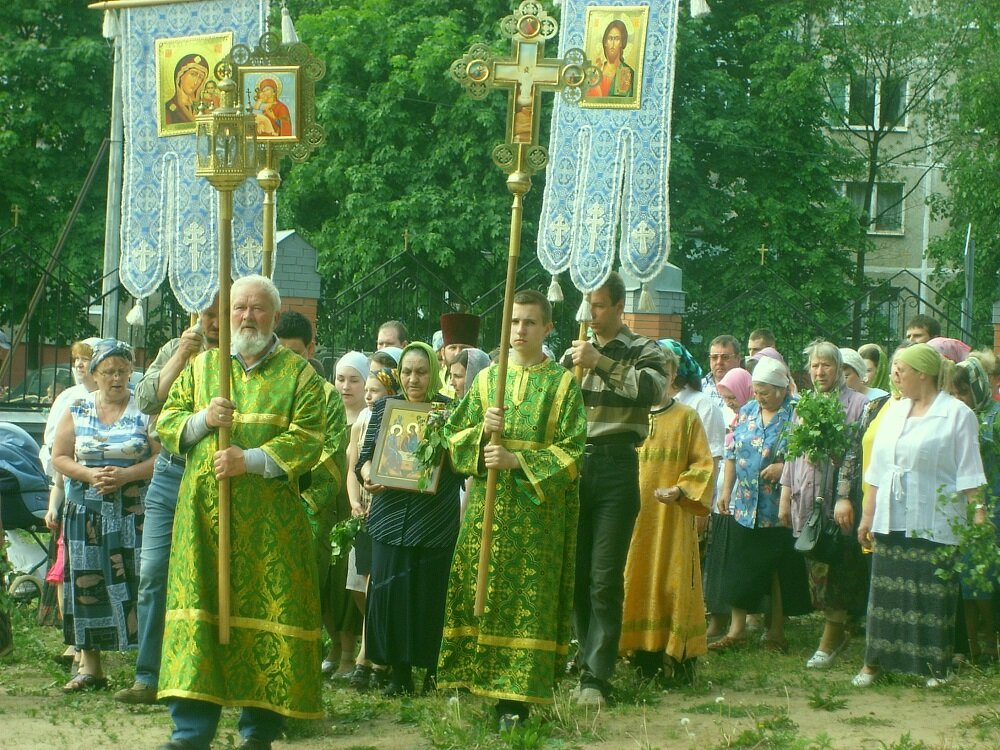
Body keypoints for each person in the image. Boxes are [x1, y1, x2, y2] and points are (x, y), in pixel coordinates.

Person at [155, 275, 327, 750]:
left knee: (267, 615)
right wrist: (204, 420)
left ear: (274, 316)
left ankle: (259, 732)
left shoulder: (300, 376)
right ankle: (190, 732)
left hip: (270, 528)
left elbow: (309, 439)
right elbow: (166, 423)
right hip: (204, 521)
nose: (246, 316)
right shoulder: (202, 368)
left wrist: (247, 460)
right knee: (201, 616)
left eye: (257, 308)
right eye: (239, 308)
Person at [438, 290, 586, 728]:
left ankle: (515, 701)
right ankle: (476, 679)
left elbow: (573, 453)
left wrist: (516, 460)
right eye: (514, 321)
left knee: (527, 600)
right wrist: (482, 433)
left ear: (547, 328)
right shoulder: (487, 381)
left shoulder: (562, 384)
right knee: (479, 591)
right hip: (487, 509)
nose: (520, 330)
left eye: (529, 322)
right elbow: (453, 437)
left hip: (536, 518)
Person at [561, 271, 667, 706]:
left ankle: (597, 676)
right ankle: (585, 654)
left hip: (617, 466)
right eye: (588, 304)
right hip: (573, 466)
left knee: (604, 577)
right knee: (576, 575)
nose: (592, 314)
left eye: (600, 305)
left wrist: (600, 362)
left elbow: (653, 392)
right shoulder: (571, 354)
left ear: (621, 306)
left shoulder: (644, 348)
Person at [854, 344, 986, 688]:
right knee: (885, 596)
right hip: (892, 518)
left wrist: (978, 514)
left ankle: (936, 667)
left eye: (902, 369)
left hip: (935, 520)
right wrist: (867, 517)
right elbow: (877, 470)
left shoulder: (957, 414)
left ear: (923, 374)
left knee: (932, 597)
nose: (895, 375)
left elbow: (970, 471)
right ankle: (874, 663)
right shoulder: (894, 411)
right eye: (894, 369)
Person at [114, 304, 218, 705]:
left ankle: (207, 675)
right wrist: (181, 355)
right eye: (206, 313)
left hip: (216, 475)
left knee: (211, 575)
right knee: (154, 572)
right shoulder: (176, 347)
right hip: (171, 472)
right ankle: (148, 675)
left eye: (221, 314)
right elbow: (145, 401)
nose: (212, 322)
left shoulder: (240, 357)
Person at [356, 342, 463, 696]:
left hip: (433, 521)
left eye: (421, 372)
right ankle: (398, 674)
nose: (413, 379)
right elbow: (364, 459)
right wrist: (369, 475)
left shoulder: (450, 411)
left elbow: (463, 466)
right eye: (406, 371)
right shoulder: (384, 408)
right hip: (389, 518)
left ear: (434, 373)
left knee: (428, 595)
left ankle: (432, 671)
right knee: (391, 595)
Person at [51, 339, 158, 692]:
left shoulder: (145, 409)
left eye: (123, 371)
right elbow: (60, 456)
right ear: (94, 374)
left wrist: (127, 475)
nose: (117, 378)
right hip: (87, 510)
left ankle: (148, 670)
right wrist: (89, 474)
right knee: (88, 582)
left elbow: (161, 457)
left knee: (141, 580)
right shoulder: (77, 408)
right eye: (109, 371)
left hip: (133, 510)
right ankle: (91, 668)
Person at [620, 345, 714, 686]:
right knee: (636, 577)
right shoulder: (628, 415)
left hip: (671, 519)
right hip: (633, 517)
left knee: (673, 581)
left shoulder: (686, 417)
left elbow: (703, 463)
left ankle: (679, 656)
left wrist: (681, 489)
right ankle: (641, 654)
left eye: (666, 371)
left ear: (674, 375)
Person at [274, 313, 354, 680]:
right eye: (282, 353)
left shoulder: (326, 396)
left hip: (308, 504)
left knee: (309, 584)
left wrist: (302, 494)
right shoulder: (270, 389)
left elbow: (331, 452)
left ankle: (303, 659)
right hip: (268, 501)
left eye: (295, 354)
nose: (288, 362)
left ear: (310, 350)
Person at [713, 357, 809, 652]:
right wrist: (726, 490)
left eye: (764, 392)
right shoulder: (748, 411)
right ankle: (736, 631)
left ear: (781, 390)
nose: (758, 397)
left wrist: (784, 469)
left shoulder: (797, 413)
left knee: (777, 571)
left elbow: (806, 456)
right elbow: (732, 452)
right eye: (756, 391)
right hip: (746, 505)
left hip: (778, 507)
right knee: (740, 567)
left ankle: (775, 632)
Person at [779, 341, 867, 662]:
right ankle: (836, 630)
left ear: (840, 369)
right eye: (815, 366)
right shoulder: (804, 404)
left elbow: (857, 454)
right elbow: (792, 454)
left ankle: (831, 638)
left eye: (826, 365)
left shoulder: (858, 404)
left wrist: (843, 491)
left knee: (839, 566)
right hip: (806, 500)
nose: (820, 372)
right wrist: (785, 495)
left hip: (839, 501)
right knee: (815, 563)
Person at [950, 357, 1000, 665]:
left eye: (964, 392)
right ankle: (970, 646)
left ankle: (990, 642)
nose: (960, 400)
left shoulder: (995, 417)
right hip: (960, 508)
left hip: (992, 505)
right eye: (954, 394)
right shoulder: (952, 419)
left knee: (986, 576)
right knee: (965, 577)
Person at [586, 20, 636, 98]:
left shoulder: (627, 72)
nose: (612, 43)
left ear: (622, 43)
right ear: (605, 42)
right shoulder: (596, 72)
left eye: (617, 39)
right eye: (610, 38)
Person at [164, 53, 209, 125]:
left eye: (200, 77)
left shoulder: (204, 107)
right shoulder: (169, 109)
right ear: (181, 76)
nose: (196, 82)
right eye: (193, 74)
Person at [702, 334, 741, 416]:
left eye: (725, 357)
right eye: (714, 357)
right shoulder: (698, 387)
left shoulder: (748, 389)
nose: (719, 362)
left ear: (737, 359)